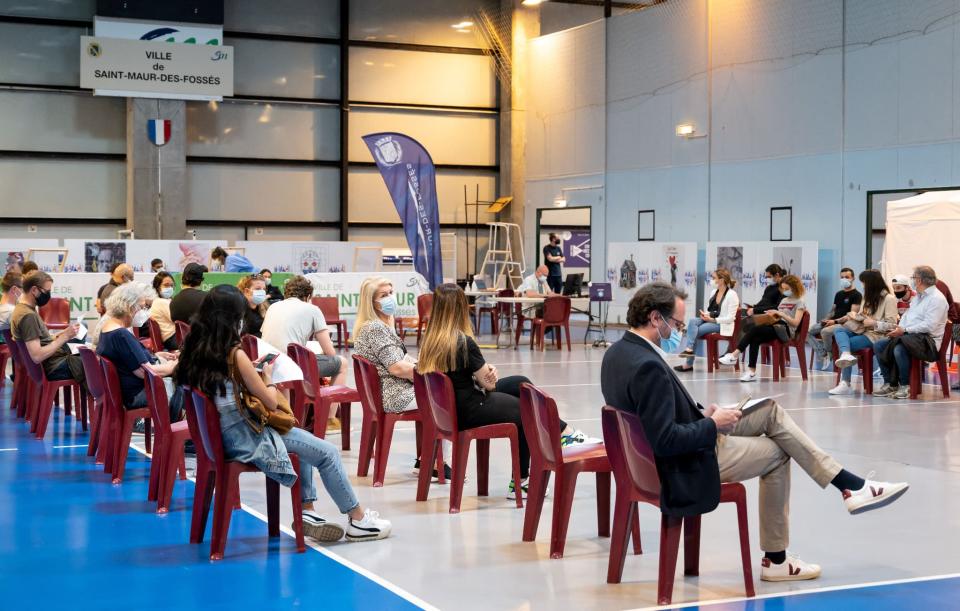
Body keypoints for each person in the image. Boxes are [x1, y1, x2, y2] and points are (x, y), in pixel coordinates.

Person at [601, 282, 909, 582]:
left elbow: (652, 420)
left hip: (650, 458)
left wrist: (703, 414)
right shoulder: (647, 366)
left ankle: (849, 485)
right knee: (778, 453)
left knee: (769, 411)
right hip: (682, 462)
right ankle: (778, 557)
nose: (680, 332)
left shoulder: (618, 354)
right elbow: (665, 440)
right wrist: (712, 425)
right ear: (656, 318)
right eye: (677, 325)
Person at [176, 285, 392, 542]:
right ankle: (358, 520)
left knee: (305, 442)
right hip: (247, 437)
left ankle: (308, 511)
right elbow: (269, 401)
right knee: (327, 452)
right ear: (234, 318)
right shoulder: (235, 353)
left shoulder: (194, 349)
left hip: (218, 438)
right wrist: (266, 376)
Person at [417, 284, 594, 498]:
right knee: (525, 411)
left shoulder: (431, 340)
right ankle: (523, 481)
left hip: (451, 408)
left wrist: (486, 371)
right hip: (471, 407)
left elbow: (465, 374)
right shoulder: (463, 342)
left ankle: (565, 433)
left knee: (521, 383)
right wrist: (488, 373)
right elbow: (488, 385)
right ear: (460, 308)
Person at [353, 276, 452, 478]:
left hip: (386, 392)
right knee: (447, 398)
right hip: (393, 395)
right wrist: (430, 373)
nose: (390, 298)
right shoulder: (375, 329)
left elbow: (401, 359)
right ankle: (436, 463)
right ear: (371, 302)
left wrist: (423, 365)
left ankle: (427, 459)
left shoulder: (378, 325)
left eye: (391, 292)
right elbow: (397, 368)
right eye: (384, 295)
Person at [96, 282, 182, 421]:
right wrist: (174, 365)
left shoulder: (108, 328)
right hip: (138, 394)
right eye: (142, 308)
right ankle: (171, 431)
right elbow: (145, 372)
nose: (144, 312)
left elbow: (130, 359)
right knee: (186, 386)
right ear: (129, 307)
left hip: (127, 391)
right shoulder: (121, 334)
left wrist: (156, 356)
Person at [873, 266, 948, 400]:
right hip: (911, 337)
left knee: (899, 348)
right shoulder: (918, 297)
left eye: (913, 278)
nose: (912, 281)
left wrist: (905, 330)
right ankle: (890, 383)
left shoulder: (937, 299)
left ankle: (905, 386)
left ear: (919, 280)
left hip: (928, 341)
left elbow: (929, 326)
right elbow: (907, 317)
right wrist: (899, 329)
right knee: (879, 345)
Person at [261, 275, 347, 386]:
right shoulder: (313, 309)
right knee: (342, 363)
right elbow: (330, 353)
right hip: (290, 365)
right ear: (308, 296)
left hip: (268, 362)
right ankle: (332, 403)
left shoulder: (272, 307)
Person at [719, 274, 807, 382]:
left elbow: (795, 323)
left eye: (787, 289)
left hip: (786, 330)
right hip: (775, 326)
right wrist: (771, 315)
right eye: (783, 289)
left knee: (754, 330)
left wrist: (781, 314)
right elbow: (777, 316)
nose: (784, 291)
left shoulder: (799, 303)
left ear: (794, 287)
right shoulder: (784, 301)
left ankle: (734, 354)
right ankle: (751, 372)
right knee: (755, 339)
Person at [829, 270, 899, 395]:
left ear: (872, 284)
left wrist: (874, 323)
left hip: (876, 335)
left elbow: (893, 325)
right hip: (861, 329)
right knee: (839, 329)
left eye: (864, 283)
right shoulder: (867, 297)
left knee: (846, 343)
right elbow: (863, 314)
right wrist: (854, 316)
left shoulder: (889, 299)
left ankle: (845, 382)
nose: (863, 286)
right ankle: (845, 354)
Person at [11, 271, 85, 386]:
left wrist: (63, 333)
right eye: (47, 291)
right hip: (52, 367)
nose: (49, 295)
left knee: (87, 353)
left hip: (51, 362)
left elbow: (42, 340)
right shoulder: (28, 316)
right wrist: (65, 337)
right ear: (34, 290)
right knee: (93, 362)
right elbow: (37, 356)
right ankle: (100, 400)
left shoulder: (23, 309)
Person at [675, 269, 740, 372]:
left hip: (722, 324)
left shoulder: (732, 295)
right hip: (711, 319)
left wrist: (713, 320)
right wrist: (706, 315)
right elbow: (711, 310)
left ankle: (688, 363)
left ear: (722, 280)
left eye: (714, 278)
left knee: (696, 331)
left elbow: (731, 318)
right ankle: (689, 349)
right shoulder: (714, 292)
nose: (711, 280)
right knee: (693, 321)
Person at [808, 267, 862, 370]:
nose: (844, 279)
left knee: (825, 332)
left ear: (853, 278)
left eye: (847, 277)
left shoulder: (857, 295)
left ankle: (829, 353)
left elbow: (851, 315)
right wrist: (826, 319)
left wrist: (835, 321)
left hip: (844, 324)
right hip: (832, 321)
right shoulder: (839, 294)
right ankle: (824, 353)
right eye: (842, 277)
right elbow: (833, 310)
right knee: (808, 331)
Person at [148, 272, 178, 350]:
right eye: (166, 285)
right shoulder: (160, 301)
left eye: (171, 285)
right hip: (172, 338)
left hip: (175, 336)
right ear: (158, 287)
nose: (170, 288)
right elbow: (176, 319)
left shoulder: (167, 300)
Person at [238, 273, 269, 338]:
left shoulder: (265, 306)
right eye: (258, 289)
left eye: (264, 289)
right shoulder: (238, 310)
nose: (262, 292)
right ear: (246, 291)